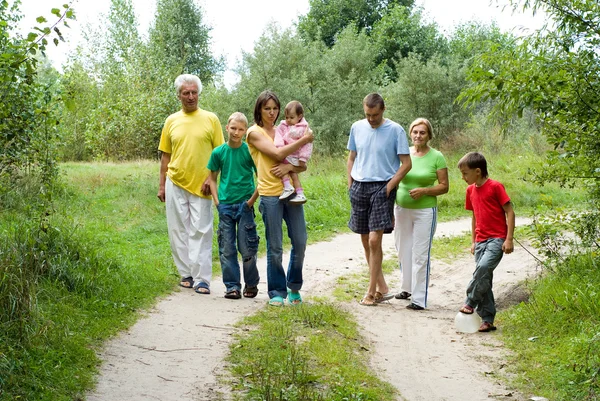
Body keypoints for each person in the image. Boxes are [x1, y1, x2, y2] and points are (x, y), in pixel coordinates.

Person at [157, 74, 224, 295]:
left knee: (201, 230)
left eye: (194, 92)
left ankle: (202, 278)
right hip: (175, 181)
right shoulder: (171, 121)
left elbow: (220, 154)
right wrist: (161, 185)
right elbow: (165, 157)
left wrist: (210, 178)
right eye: (186, 93)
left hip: (202, 184)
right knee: (178, 230)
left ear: (199, 93)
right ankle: (186, 274)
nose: (191, 96)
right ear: (179, 95)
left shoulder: (211, 119)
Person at [246, 90, 314, 307]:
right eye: (267, 109)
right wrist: (304, 138)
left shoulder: (285, 129)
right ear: (259, 109)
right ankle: (277, 292)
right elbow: (276, 154)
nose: (272, 113)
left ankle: (294, 287)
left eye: (275, 108)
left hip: (291, 192)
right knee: (275, 246)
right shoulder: (253, 132)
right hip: (270, 194)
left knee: (300, 241)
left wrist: (288, 167)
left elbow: (302, 164)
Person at [347, 93, 412, 306]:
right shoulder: (357, 127)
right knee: (366, 240)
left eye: (374, 115)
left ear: (382, 110)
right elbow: (352, 157)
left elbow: (406, 163)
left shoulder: (395, 130)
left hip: (383, 186)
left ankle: (371, 291)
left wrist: (389, 187)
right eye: (367, 114)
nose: (371, 119)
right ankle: (382, 286)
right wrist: (350, 184)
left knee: (376, 239)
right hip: (359, 185)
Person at [393, 118, 449, 310]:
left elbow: (444, 186)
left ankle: (418, 299)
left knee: (420, 254)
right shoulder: (404, 153)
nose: (418, 136)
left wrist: (424, 191)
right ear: (410, 133)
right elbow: (393, 177)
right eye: (415, 132)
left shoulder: (437, 157)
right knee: (403, 249)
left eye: (422, 132)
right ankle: (406, 288)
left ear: (429, 135)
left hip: (425, 211)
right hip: (401, 208)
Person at [457, 152, 515, 332]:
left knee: (482, 269)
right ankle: (488, 319)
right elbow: (474, 216)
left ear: (477, 171)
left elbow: (510, 212)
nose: (463, 177)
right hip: (480, 240)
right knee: (485, 279)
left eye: (465, 173)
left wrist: (509, 239)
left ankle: (470, 301)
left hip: (497, 239)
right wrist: (473, 241)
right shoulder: (470, 190)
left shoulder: (496, 187)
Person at [208, 112, 260, 300]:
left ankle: (251, 283)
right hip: (225, 206)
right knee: (226, 248)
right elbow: (212, 179)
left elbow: (261, 177)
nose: (236, 132)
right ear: (226, 128)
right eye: (233, 128)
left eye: (240, 129)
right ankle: (232, 286)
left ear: (245, 131)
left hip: (245, 204)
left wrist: (251, 201)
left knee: (247, 247)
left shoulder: (249, 151)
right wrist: (217, 202)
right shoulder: (218, 152)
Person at [274, 100, 313, 204]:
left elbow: (307, 145)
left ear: (299, 116)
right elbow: (278, 138)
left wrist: (303, 157)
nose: (288, 120)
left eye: (291, 117)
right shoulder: (283, 126)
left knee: (282, 166)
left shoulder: (304, 129)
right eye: (286, 117)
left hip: (296, 156)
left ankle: (287, 187)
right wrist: (280, 147)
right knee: (294, 174)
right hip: (288, 154)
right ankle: (300, 193)